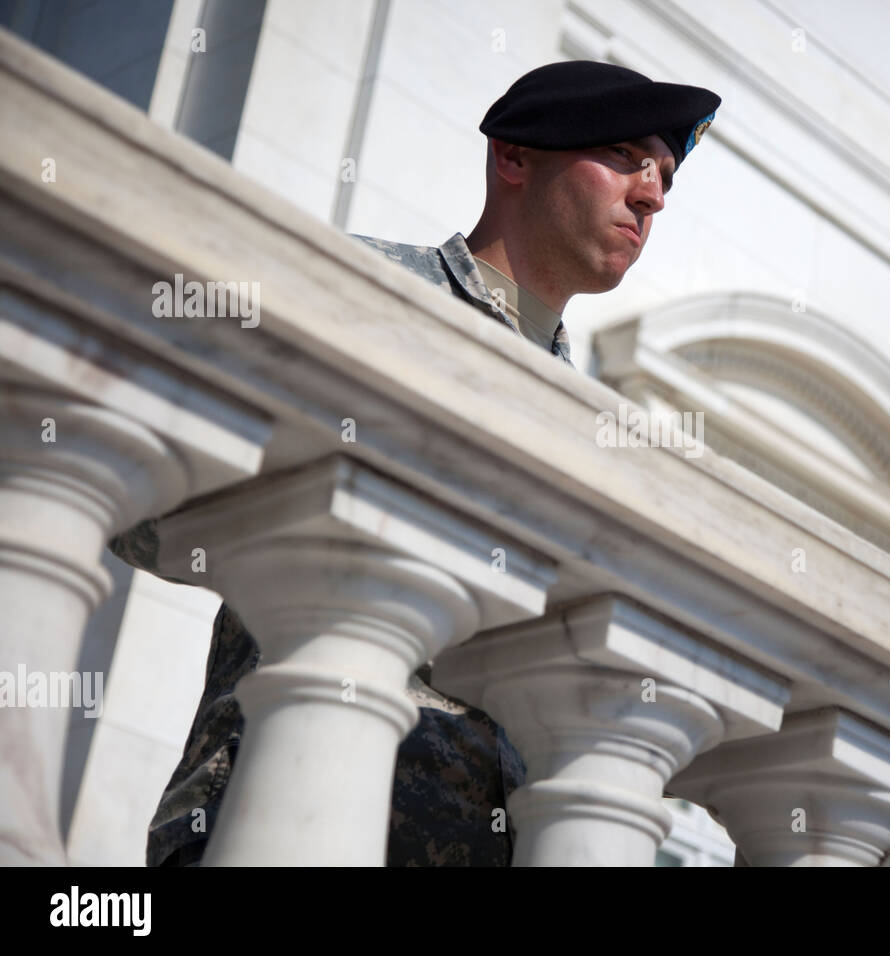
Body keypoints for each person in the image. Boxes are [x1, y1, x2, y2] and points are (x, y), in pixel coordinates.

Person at [109, 60, 720, 866]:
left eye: (666, 175)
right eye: (624, 156)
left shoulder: (602, 434)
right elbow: (132, 491)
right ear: (514, 156)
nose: (654, 196)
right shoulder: (356, 290)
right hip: (281, 810)